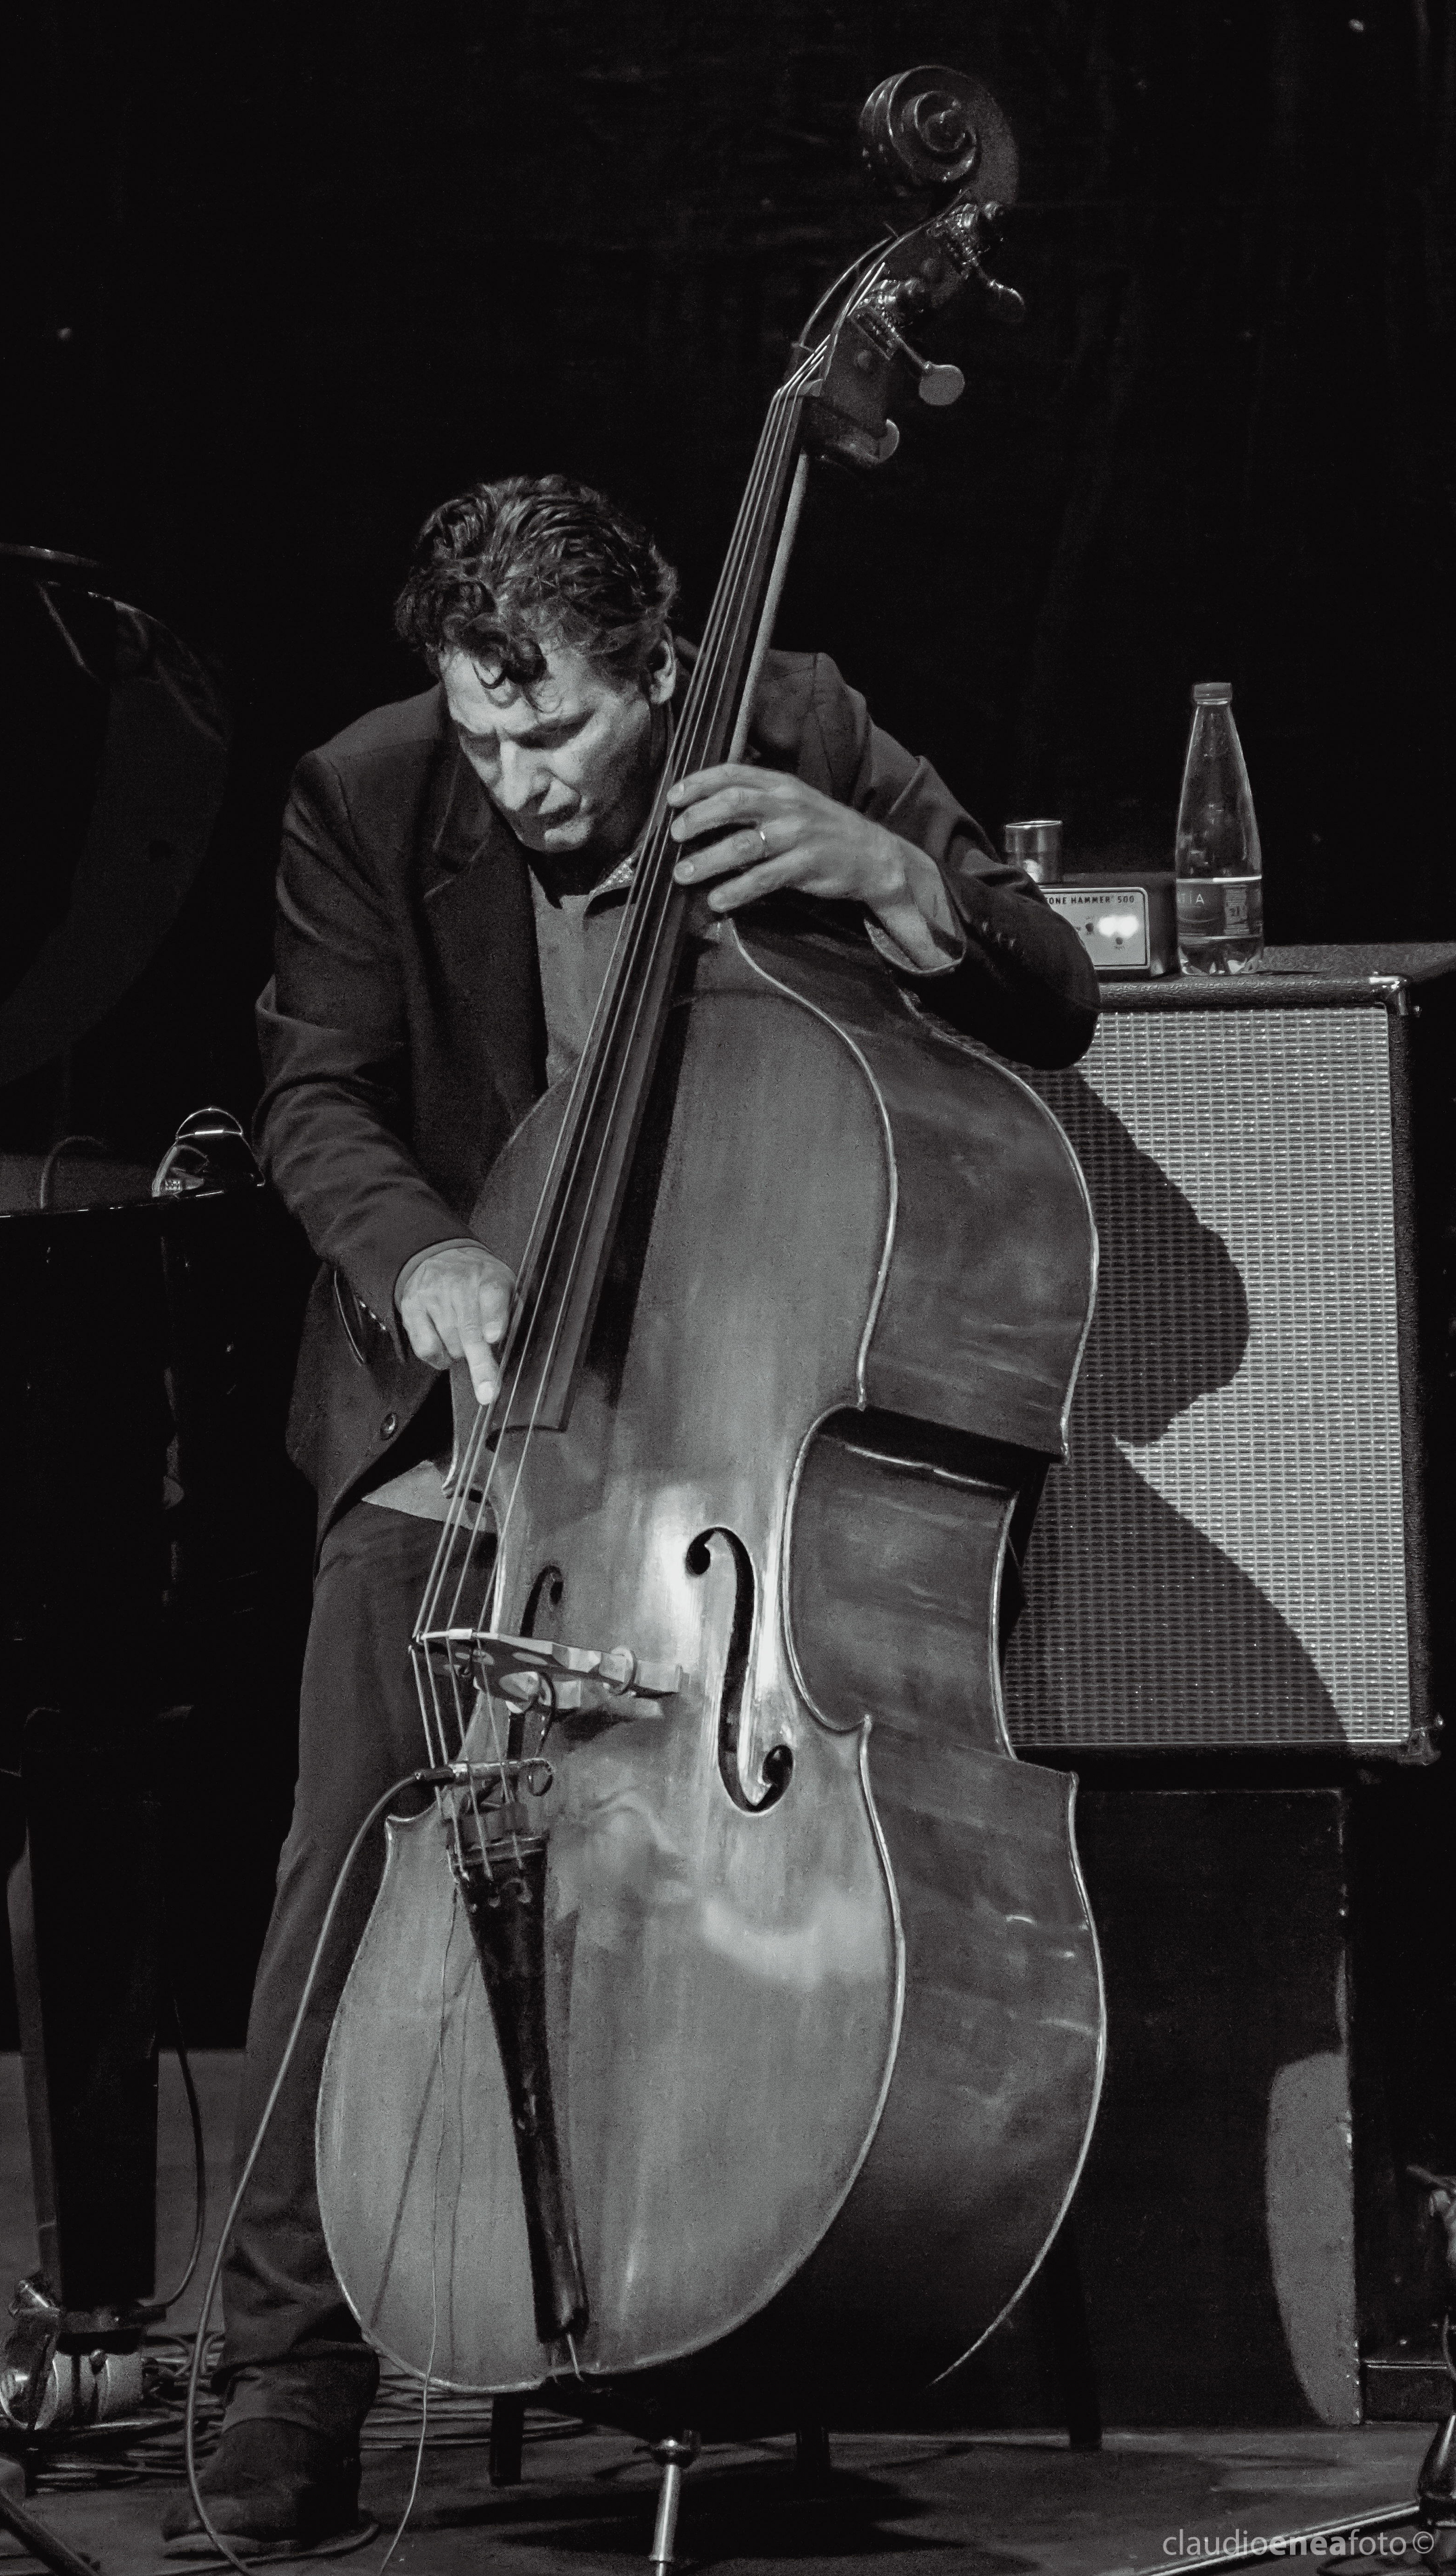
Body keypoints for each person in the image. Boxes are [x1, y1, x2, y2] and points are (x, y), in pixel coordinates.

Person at [163, 472, 1097, 2554]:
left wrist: (892, 879)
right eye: (480, 734)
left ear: (659, 670)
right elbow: (315, 1086)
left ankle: (737, 2257)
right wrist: (419, 1256)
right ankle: (289, 2379)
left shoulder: (804, 726)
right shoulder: (368, 791)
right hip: (483, 1417)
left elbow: (1047, 994)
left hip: (738, 1403)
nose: (510, 783)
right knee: (357, 1827)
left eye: (556, 731)